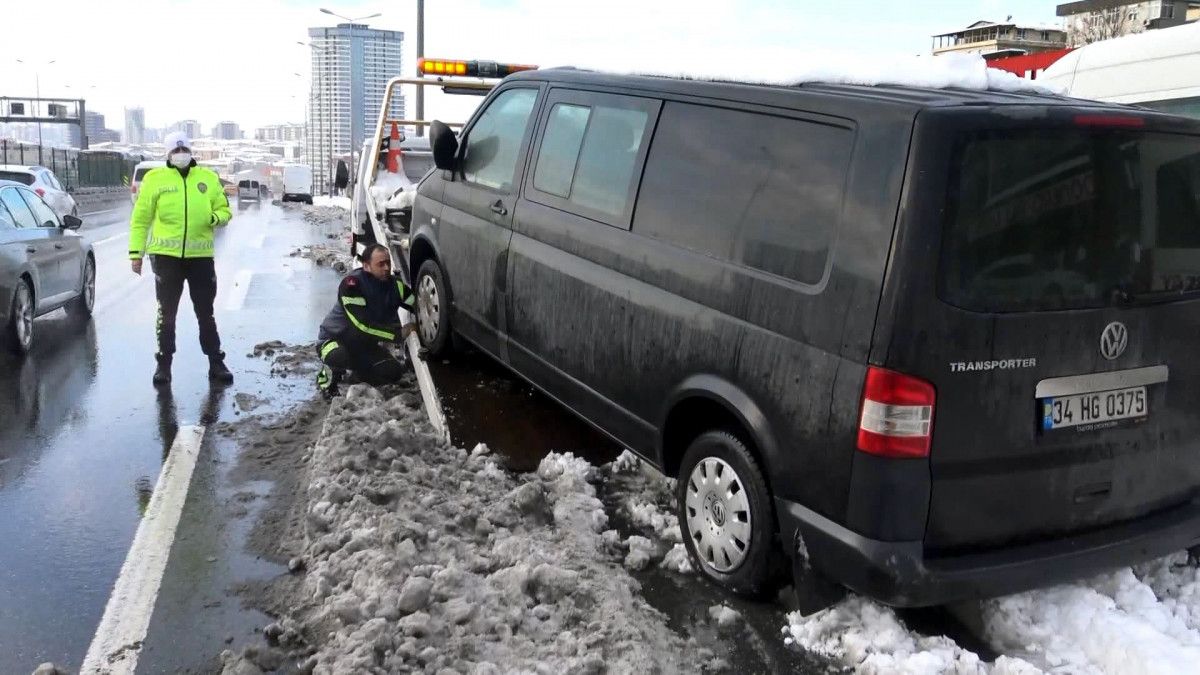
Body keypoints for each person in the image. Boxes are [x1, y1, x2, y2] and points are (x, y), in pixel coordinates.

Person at [129, 131, 234, 386]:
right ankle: (164, 364)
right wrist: (136, 254)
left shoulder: (207, 178)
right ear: (168, 154)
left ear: (191, 151)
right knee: (167, 313)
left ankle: (215, 362)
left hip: (200, 257)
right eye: (175, 151)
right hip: (167, 258)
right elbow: (141, 219)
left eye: (183, 150)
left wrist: (216, 218)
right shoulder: (155, 180)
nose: (180, 155)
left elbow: (224, 209)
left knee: (205, 312)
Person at [316, 244, 417, 398]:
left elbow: (416, 303)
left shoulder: (396, 286)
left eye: (388, 263)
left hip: (363, 346)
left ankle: (358, 377)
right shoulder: (352, 285)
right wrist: (397, 334)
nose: (386, 268)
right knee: (337, 356)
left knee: (393, 371)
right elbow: (361, 326)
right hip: (334, 340)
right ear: (366, 266)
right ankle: (326, 383)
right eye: (380, 264)